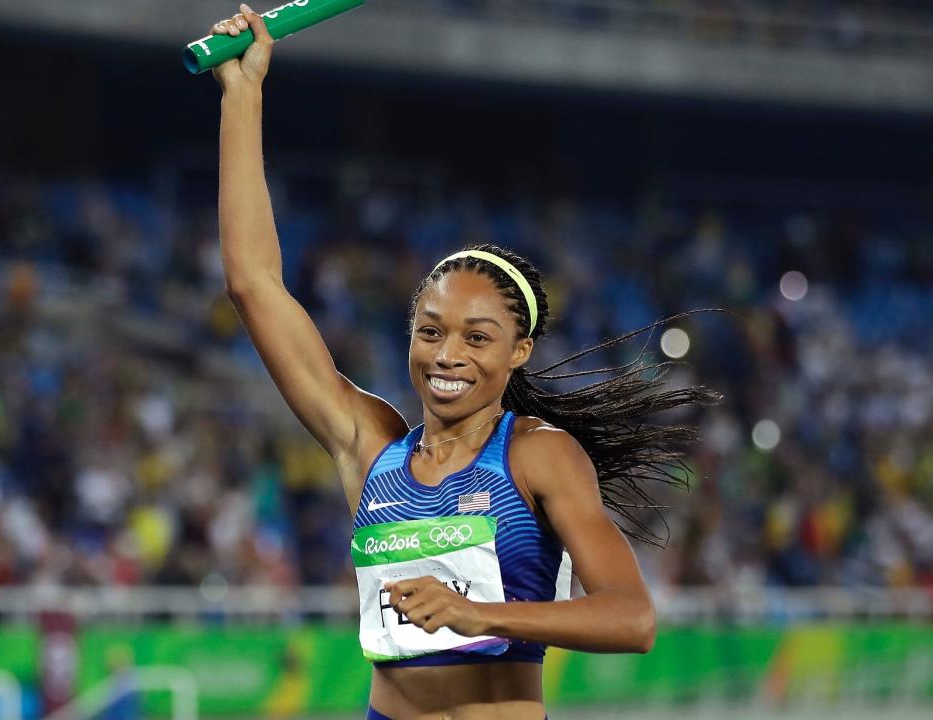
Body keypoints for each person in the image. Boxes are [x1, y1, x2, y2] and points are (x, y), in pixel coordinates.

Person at [212, 6, 718, 718]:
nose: (447, 354)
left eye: (477, 337)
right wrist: (244, 96)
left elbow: (631, 619)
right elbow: (253, 284)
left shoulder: (538, 457)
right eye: (431, 331)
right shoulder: (370, 446)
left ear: (519, 352)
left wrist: (479, 615)